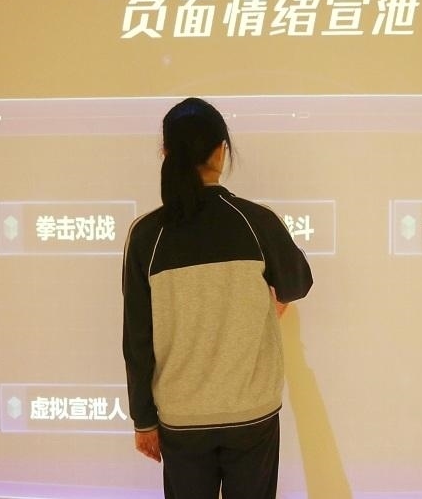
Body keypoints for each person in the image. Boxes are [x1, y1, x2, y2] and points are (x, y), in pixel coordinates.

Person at [121, 97, 313, 499]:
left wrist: (144, 421)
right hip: (252, 415)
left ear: (166, 153)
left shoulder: (146, 235)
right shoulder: (256, 222)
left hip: (182, 420)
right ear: (221, 151)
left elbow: (137, 339)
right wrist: (269, 302)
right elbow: (297, 283)